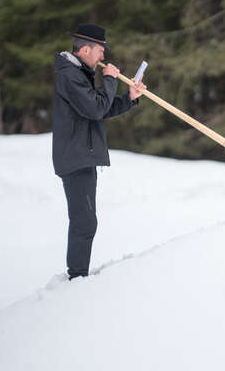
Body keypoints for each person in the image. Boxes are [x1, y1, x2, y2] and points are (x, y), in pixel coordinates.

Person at [52, 24, 147, 280]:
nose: (103, 57)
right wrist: (109, 79)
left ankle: (78, 276)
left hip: (83, 156)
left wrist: (129, 97)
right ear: (85, 49)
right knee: (84, 222)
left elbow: (100, 109)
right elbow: (95, 108)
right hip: (75, 158)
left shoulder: (80, 74)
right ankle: (77, 278)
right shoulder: (69, 76)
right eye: (100, 51)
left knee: (86, 221)